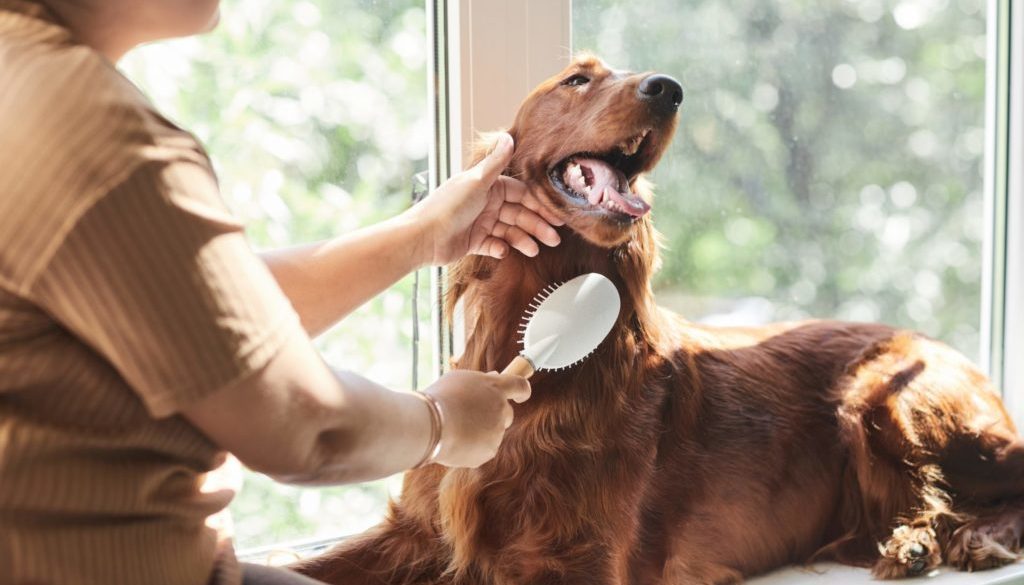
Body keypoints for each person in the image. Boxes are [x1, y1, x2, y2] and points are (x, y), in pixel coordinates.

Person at [0, 0, 564, 583]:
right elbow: (305, 429)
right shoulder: (95, 133)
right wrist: (441, 422)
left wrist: (420, 236)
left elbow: (194, 313)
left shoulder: (22, 76)